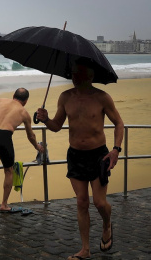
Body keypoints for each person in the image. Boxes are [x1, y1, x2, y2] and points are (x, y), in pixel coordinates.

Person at [36, 58, 124, 260]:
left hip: (99, 155)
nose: (75, 76)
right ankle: (85, 250)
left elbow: (119, 123)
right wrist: (46, 119)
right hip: (75, 155)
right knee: (81, 202)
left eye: (80, 73)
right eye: (74, 73)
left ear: (91, 76)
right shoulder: (65, 97)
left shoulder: (102, 97)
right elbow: (56, 126)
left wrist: (116, 150)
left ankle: (107, 224)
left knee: (100, 203)